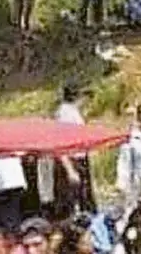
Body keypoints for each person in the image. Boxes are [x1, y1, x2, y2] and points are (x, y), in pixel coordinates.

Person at [51, 80, 97, 220]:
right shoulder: (65, 114)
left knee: (84, 198)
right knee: (71, 202)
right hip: (72, 160)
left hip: (79, 159)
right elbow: (61, 143)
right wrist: (69, 169)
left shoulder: (73, 112)